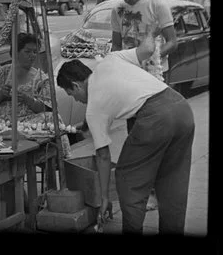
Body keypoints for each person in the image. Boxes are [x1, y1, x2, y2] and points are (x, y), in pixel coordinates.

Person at [56, 34, 195, 235]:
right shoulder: (111, 59)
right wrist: (152, 29)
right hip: (181, 108)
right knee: (172, 178)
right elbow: (147, 49)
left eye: (72, 95)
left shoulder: (93, 108)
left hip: (155, 118)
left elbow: (103, 157)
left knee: (127, 176)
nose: (76, 100)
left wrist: (104, 198)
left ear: (76, 85)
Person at [109, 0, 178, 210]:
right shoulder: (117, 10)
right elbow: (116, 45)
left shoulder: (157, 5)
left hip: (154, 78)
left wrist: (152, 55)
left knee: (156, 134)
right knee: (136, 137)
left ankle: (161, 190)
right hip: (130, 81)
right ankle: (145, 191)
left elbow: (173, 41)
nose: (126, 0)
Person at [0, 32, 71, 157]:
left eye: (35, 52)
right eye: (27, 51)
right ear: (16, 53)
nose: (32, 56)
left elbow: (48, 108)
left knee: (54, 118)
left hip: (27, 124)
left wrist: (28, 100)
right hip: (0, 124)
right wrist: (0, 94)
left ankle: (63, 157)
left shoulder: (40, 78)